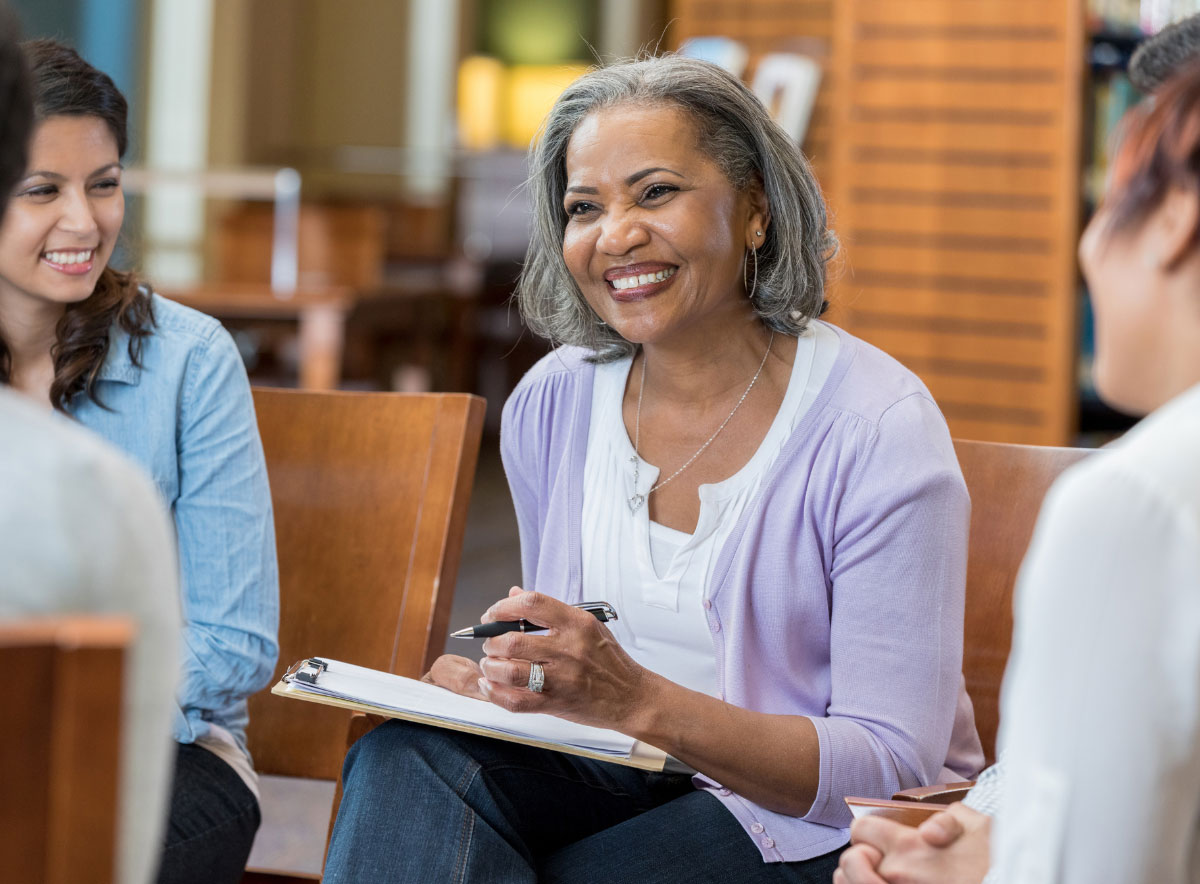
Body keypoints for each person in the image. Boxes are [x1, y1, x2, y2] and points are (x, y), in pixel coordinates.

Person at [325, 54, 982, 883]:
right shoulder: (555, 399)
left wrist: (637, 699)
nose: (617, 234)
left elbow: (891, 770)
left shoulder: (876, 426)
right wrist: (515, 693)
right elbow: (572, 662)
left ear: (757, 210)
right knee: (406, 762)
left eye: (656, 192)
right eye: (584, 207)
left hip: (811, 822)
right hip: (625, 769)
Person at [837, 44, 1200, 884]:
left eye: (1110, 199)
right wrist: (987, 827)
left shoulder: (1137, 504)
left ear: (1176, 213)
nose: (1087, 247)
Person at [0, 40, 279, 884]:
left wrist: (54, 695)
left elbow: (235, 643)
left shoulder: (189, 360)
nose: (85, 222)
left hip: (170, 752)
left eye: (105, 183)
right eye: (42, 190)